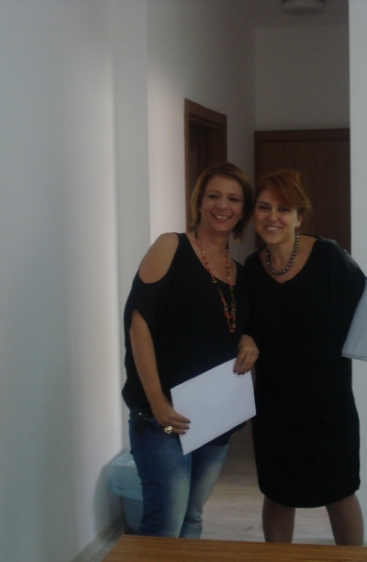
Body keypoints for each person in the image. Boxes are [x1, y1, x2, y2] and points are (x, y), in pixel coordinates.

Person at [245, 169, 367, 546]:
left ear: (299, 216)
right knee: (278, 494)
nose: (272, 217)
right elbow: (242, 327)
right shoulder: (250, 270)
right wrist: (244, 336)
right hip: (274, 406)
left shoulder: (329, 256)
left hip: (329, 403)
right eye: (264, 207)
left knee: (340, 493)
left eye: (284, 208)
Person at [121, 162, 259, 538]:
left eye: (233, 199)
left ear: (243, 211)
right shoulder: (171, 246)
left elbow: (237, 328)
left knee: (192, 519)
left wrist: (248, 338)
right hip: (164, 419)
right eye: (214, 196)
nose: (222, 206)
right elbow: (138, 325)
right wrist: (157, 403)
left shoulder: (240, 272)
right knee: (164, 526)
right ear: (199, 202)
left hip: (215, 419)